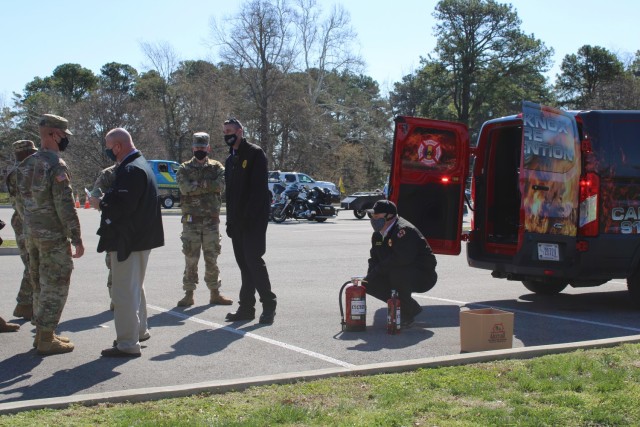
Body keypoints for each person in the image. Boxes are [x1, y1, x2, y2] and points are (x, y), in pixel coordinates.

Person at [16, 114, 85, 355]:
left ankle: (44, 334)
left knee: (38, 282)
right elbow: (64, 206)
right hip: (52, 237)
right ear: (53, 134)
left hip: (31, 233)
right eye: (64, 135)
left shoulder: (25, 164)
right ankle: (46, 337)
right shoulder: (56, 164)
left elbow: (19, 204)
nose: (66, 139)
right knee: (56, 283)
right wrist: (76, 237)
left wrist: (29, 227)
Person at [94, 128, 164, 357]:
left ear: (118, 146)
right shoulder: (141, 164)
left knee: (123, 292)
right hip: (140, 238)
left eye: (108, 146)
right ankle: (140, 331)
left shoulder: (131, 169)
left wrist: (100, 203)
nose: (108, 151)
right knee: (135, 288)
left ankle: (127, 343)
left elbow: (123, 206)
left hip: (129, 239)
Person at [223, 118, 277, 324]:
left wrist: (248, 218)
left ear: (240, 131)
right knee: (243, 264)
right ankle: (246, 308)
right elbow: (230, 195)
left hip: (253, 221)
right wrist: (230, 221)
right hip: (236, 222)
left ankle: (269, 304)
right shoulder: (230, 160)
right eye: (225, 131)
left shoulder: (255, 153)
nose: (227, 134)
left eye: (230, 131)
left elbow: (258, 192)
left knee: (253, 261)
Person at [175, 132, 232, 307]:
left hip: (211, 221)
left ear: (209, 148)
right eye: (197, 147)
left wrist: (197, 185)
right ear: (193, 148)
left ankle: (215, 293)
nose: (200, 150)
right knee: (191, 258)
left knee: (212, 257)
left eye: (203, 147)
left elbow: (222, 185)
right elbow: (184, 188)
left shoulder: (217, 167)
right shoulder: (184, 168)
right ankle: (189, 293)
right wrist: (209, 186)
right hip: (191, 221)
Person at [363, 200, 437, 327]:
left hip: (422, 275)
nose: (373, 219)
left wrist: (378, 270)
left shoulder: (403, 230)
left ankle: (406, 315)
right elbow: (374, 259)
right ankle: (410, 307)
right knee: (368, 284)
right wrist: (369, 277)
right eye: (372, 216)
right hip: (396, 270)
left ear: (389, 216)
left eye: (377, 216)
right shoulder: (377, 235)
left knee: (397, 273)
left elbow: (401, 258)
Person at [5, 140, 38, 321]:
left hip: (24, 222)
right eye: (31, 152)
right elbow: (24, 204)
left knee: (31, 263)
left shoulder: (19, 172)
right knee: (32, 263)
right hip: (25, 224)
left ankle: (26, 304)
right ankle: (24, 304)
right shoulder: (21, 173)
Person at [90, 164, 117, 311]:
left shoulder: (137, 170)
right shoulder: (108, 174)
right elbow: (95, 197)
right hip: (112, 225)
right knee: (112, 263)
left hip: (133, 227)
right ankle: (114, 298)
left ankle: (127, 298)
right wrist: (106, 203)